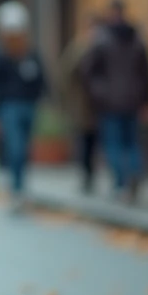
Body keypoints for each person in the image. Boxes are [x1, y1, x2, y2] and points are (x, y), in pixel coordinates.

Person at [82, 0, 148, 203]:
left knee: (114, 144)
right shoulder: (137, 39)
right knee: (131, 142)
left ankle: (122, 183)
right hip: (132, 99)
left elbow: (87, 71)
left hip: (109, 102)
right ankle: (134, 173)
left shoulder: (101, 39)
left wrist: (98, 93)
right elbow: (146, 73)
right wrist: (146, 99)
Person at [0, 1, 46, 211]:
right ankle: (17, 188)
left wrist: (40, 100)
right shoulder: (1, 56)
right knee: (15, 148)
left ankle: (21, 186)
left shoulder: (31, 55)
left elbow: (42, 81)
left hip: (28, 106)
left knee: (24, 148)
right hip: (9, 107)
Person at [59, 16, 102, 193]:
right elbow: (65, 74)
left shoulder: (103, 47)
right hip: (82, 105)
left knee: (95, 142)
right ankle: (86, 175)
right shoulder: (78, 48)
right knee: (84, 141)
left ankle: (92, 174)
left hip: (100, 105)